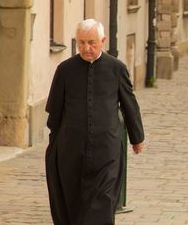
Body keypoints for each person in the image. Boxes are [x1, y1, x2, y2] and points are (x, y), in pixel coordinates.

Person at [45, 19, 145, 225]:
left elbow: (129, 105)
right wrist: (55, 143)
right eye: (81, 43)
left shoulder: (117, 69)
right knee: (72, 202)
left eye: (91, 42)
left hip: (107, 149)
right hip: (71, 149)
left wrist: (137, 138)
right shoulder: (65, 70)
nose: (86, 48)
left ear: (103, 41)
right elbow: (54, 111)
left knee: (103, 201)